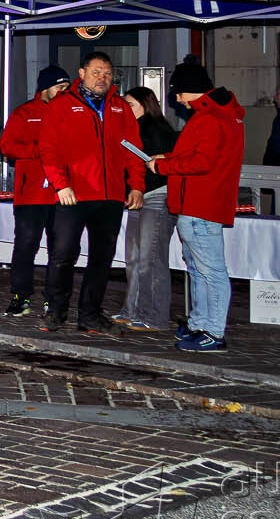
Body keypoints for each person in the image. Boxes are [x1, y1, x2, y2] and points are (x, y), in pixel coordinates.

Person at [38, 51, 144, 334]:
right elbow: (49, 148)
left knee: (102, 258)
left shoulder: (120, 107)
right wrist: (61, 183)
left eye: (107, 73)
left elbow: (133, 149)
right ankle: (55, 311)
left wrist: (136, 185)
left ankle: (90, 314)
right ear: (82, 74)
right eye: (96, 72)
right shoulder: (61, 105)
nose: (102, 78)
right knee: (63, 255)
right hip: (73, 193)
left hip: (110, 195)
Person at [149, 58, 244, 352]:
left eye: (178, 92)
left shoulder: (209, 117)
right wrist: (169, 157)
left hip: (199, 204)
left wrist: (163, 167)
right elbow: (202, 154)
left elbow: (201, 163)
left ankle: (213, 331)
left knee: (210, 271)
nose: (177, 99)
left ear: (191, 89)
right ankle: (199, 324)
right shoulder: (223, 114)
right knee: (199, 271)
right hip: (204, 203)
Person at [0, 65, 70, 317]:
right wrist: (39, 149)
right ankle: (21, 296)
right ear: (45, 88)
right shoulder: (25, 113)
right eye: (59, 87)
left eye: (66, 87)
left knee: (60, 251)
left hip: (62, 194)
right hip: (31, 195)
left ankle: (54, 300)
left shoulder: (71, 113)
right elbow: (7, 146)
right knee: (25, 246)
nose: (64, 91)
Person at [116, 85, 179, 329]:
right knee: (134, 258)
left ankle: (153, 315)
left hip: (156, 196)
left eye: (130, 104)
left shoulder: (156, 129)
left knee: (150, 259)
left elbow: (160, 164)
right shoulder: (131, 128)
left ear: (145, 106)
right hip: (138, 196)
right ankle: (132, 310)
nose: (126, 108)